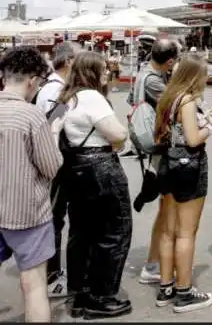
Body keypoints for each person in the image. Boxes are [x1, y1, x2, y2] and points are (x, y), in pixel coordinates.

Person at [53, 51, 133, 318]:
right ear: (92, 72)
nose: (107, 73)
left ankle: (80, 294)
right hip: (101, 166)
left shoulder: (67, 97)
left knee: (82, 233)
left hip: (75, 168)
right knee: (114, 231)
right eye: (103, 69)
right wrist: (121, 136)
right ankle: (102, 297)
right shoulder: (92, 97)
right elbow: (118, 133)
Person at [0, 47, 63, 322]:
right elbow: (50, 167)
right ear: (32, 81)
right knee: (34, 283)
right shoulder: (32, 116)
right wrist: (54, 134)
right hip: (26, 213)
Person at [155, 54, 212, 313]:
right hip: (189, 165)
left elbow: (165, 134)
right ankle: (184, 291)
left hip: (168, 164)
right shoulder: (188, 100)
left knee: (167, 231)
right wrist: (211, 125)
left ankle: (166, 287)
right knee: (186, 232)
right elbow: (193, 139)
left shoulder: (168, 97)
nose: (206, 80)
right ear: (195, 76)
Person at [133, 39, 180, 285]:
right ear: (170, 61)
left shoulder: (143, 74)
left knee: (165, 209)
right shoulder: (152, 79)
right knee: (167, 210)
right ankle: (155, 264)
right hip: (160, 149)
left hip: (154, 149)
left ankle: (155, 262)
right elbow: (176, 105)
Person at [32, 41, 77, 298]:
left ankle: (51, 272)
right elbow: (52, 131)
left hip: (55, 164)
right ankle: (51, 276)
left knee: (55, 219)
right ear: (69, 61)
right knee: (54, 220)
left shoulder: (55, 87)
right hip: (54, 166)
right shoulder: (54, 91)